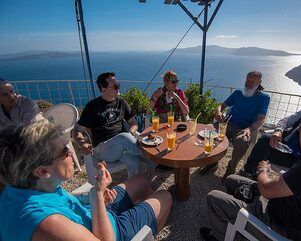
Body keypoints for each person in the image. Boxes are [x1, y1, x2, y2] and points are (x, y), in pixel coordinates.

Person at [200, 109, 301, 241]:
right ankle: (233, 222)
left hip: (278, 225)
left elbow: (267, 190)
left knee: (214, 197)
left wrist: (262, 170)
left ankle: (224, 235)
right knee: (231, 180)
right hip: (294, 212)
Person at [0, 119, 172, 241]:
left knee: (141, 179)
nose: (70, 152)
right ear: (43, 170)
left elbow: (60, 202)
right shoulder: (48, 224)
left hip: (96, 212)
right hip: (112, 231)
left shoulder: (23, 188)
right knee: (165, 196)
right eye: (64, 151)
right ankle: (146, 231)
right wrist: (97, 195)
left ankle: (145, 215)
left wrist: (88, 197)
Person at [72, 72, 152, 178]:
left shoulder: (121, 102)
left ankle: (135, 189)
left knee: (135, 163)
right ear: (103, 89)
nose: (118, 87)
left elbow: (133, 123)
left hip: (122, 147)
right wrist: (82, 144)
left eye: (118, 84)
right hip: (103, 149)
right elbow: (77, 131)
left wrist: (132, 132)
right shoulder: (92, 107)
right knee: (125, 138)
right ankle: (156, 160)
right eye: (115, 86)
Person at [201, 71, 270, 179]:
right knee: (210, 134)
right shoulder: (237, 93)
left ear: (259, 82)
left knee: (242, 142)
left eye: (253, 81)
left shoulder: (264, 98)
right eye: (248, 80)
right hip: (228, 125)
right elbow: (221, 106)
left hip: (244, 129)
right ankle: (212, 162)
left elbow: (261, 119)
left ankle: (231, 169)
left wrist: (250, 129)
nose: (249, 83)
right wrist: (218, 112)